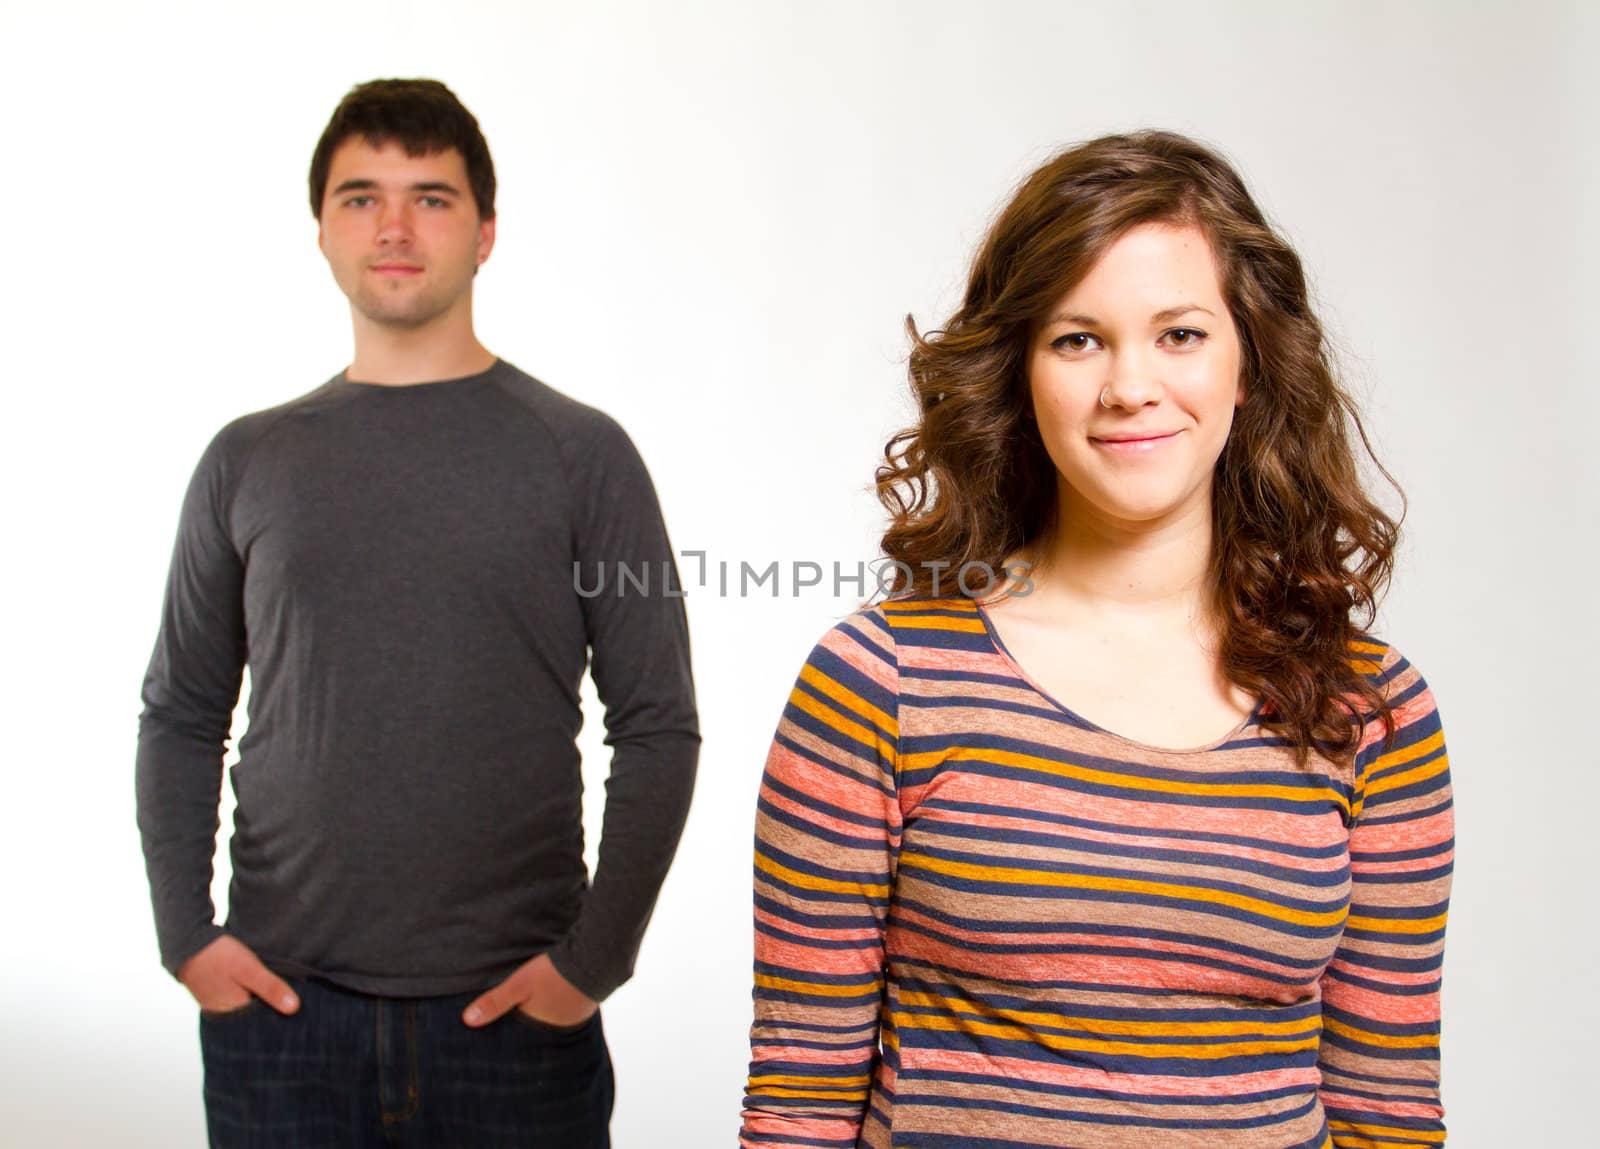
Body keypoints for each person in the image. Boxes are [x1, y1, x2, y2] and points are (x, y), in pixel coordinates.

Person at [741, 131, 1453, 1148]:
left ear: (1247, 365)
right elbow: (798, 1101)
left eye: (1179, 335)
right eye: (1077, 339)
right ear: (1021, 375)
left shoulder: (1370, 710)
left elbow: (1388, 1111)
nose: (1129, 386)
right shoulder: (881, 681)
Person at [136, 78, 699, 1148]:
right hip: (281, 1017)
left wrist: (592, 966)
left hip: (513, 1025)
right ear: (321, 233)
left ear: (486, 233)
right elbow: (180, 712)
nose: (394, 227)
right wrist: (185, 937)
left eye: (431, 198)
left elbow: (659, 723)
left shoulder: (583, 455)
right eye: (361, 198)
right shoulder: (247, 460)